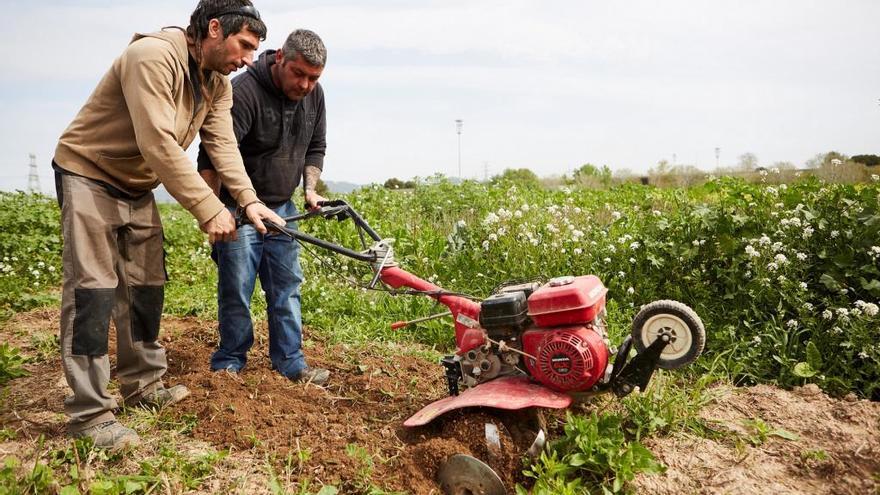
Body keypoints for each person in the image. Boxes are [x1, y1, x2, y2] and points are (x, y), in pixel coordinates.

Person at [52, 0, 285, 450]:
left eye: (255, 50)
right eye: (244, 46)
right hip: (89, 173)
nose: (249, 59)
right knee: (94, 292)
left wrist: (249, 201)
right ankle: (90, 415)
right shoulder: (153, 57)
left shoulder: (217, 85)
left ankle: (142, 386)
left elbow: (222, 145)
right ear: (215, 28)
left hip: (136, 185)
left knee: (145, 287)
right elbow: (157, 140)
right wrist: (208, 207)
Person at [197, 29, 330, 385]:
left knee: (287, 286)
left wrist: (310, 191)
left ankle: (290, 362)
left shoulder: (314, 96)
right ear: (280, 58)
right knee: (237, 287)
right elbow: (211, 155)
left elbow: (316, 146)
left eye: (313, 78)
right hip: (239, 211)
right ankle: (230, 362)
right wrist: (213, 210)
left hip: (283, 209)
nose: (305, 85)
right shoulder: (244, 93)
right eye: (298, 74)